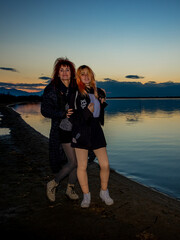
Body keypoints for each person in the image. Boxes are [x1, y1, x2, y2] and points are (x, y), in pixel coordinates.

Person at [71, 65, 113, 208]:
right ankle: (86, 195)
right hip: (81, 131)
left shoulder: (99, 91)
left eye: (88, 74)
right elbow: (72, 117)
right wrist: (86, 112)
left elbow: (98, 114)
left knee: (105, 164)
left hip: (95, 130)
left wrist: (102, 103)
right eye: (83, 74)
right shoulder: (75, 92)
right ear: (78, 77)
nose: (86, 76)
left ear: (92, 76)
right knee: (82, 166)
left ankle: (104, 191)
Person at [41, 57, 79, 202]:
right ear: (57, 73)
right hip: (60, 130)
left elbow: (90, 91)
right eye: (61, 70)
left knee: (78, 162)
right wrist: (62, 114)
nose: (64, 73)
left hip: (77, 130)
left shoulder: (76, 87)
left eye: (67, 70)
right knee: (73, 162)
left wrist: (100, 95)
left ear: (71, 72)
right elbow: (44, 110)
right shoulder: (52, 89)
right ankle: (53, 183)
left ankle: (70, 189)